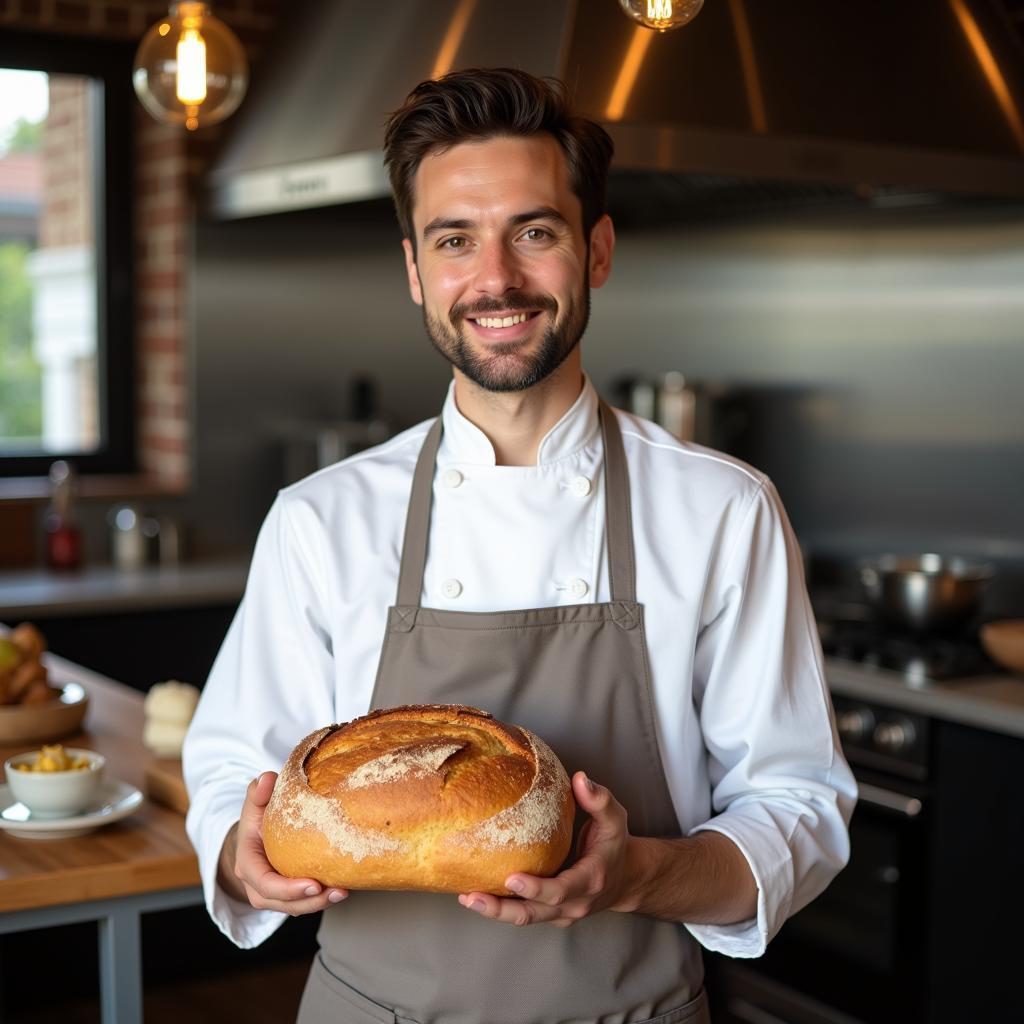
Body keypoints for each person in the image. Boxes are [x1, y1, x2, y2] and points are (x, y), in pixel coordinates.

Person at [183, 67, 856, 1024]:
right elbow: (227, 773)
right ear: (415, 269)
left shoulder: (722, 510)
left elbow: (799, 808)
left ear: (598, 249)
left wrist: (639, 877)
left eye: (533, 232)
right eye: (455, 240)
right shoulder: (322, 518)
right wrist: (239, 854)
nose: (494, 278)